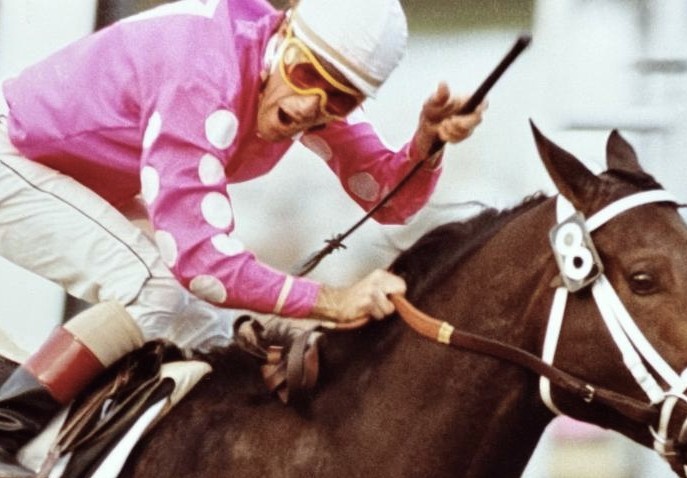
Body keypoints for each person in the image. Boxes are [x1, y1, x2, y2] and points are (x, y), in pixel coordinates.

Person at [0, 0, 485, 475]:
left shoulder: (305, 71)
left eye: (338, 99)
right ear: (284, 36)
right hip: (13, 157)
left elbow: (387, 198)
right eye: (305, 77)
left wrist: (428, 144)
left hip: (81, 175)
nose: (309, 105)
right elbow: (202, 264)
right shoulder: (204, 72)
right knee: (160, 290)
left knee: (207, 335)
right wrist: (332, 301)